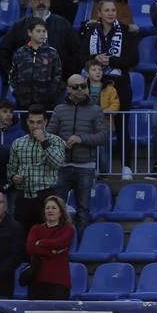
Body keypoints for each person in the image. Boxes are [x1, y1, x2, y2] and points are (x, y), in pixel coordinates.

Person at [48, 75, 106, 234]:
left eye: (82, 86)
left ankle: (82, 244)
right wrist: (61, 142)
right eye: (76, 87)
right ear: (68, 89)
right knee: (58, 208)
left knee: (83, 209)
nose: (80, 89)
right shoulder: (59, 110)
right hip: (62, 165)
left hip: (85, 166)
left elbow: (102, 136)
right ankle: (58, 241)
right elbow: (49, 135)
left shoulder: (96, 110)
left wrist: (81, 139)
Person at [7, 107, 65, 230]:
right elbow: (11, 169)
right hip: (23, 197)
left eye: (39, 122)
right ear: (27, 122)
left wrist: (43, 141)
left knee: (44, 236)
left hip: (45, 197)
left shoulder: (56, 141)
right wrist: (13, 177)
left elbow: (58, 163)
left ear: (45, 122)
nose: (35, 126)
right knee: (20, 236)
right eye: (32, 122)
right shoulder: (18, 143)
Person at [24, 194, 74, 300]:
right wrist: (52, 252)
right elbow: (30, 248)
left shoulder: (67, 230)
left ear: (61, 212)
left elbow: (60, 243)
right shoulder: (35, 229)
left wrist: (40, 242)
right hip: (37, 281)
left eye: (54, 208)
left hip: (59, 282)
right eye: (47, 208)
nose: (50, 210)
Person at [8, 18, 63, 111]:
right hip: (23, 101)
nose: (42, 34)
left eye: (44, 31)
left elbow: (57, 75)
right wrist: (17, 91)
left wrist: (51, 92)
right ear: (30, 33)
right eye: (38, 31)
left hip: (45, 101)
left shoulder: (52, 53)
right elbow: (13, 73)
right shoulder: (20, 52)